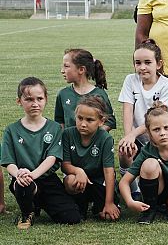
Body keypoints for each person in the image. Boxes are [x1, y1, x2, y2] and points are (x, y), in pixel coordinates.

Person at [2, 77, 81, 229]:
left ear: (46, 99)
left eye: (39, 98)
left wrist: (33, 175)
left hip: (46, 178)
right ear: (19, 101)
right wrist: (19, 174)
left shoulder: (54, 128)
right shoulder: (11, 130)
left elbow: (52, 158)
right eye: (29, 99)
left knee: (71, 217)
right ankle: (27, 212)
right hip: (22, 179)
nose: (35, 103)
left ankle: (38, 202)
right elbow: (8, 161)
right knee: (23, 186)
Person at [117, 40, 168, 192]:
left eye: (147, 62)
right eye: (138, 63)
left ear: (158, 64)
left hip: (158, 136)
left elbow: (159, 118)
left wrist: (133, 134)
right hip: (136, 135)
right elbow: (127, 110)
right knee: (124, 151)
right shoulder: (130, 80)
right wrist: (128, 137)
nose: (142, 67)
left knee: (152, 168)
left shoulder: (167, 85)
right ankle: (132, 188)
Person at [61, 95, 119, 221]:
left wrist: (109, 203)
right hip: (78, 179)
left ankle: (102, 204)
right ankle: (80, 205)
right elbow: (65, 165)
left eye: (89, 120)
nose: (83, 124)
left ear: (101, 121)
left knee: (107, 216)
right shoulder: (67, 134)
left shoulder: (105, 138)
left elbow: (109, 172)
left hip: (99, 181)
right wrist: (78, 171)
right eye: (80, 118)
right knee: (70, 180)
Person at [55, 48, 115, 131]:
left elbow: (110, 121)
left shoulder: (99, 94)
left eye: (66, 66)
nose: (62, 71)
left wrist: (94, 136)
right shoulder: (63, 94)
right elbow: (59, 121)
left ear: (81, 69)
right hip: (70, 143)